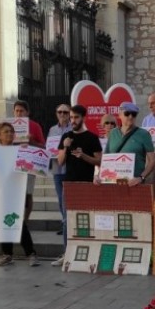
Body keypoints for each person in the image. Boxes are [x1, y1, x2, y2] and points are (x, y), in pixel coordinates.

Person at [56, 104, 103, 266]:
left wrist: (83, 156)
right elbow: (60, 162)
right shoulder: (66, 137)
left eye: (76, 117)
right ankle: (66, 253)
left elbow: (100, 161)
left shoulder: (92, 137)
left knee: (87, 218)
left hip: (86, 184)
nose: (72, 120)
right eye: (71, 117)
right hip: (69, 184)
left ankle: (88, 252)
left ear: (84, 117)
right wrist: (65, 146)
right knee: (66, 220)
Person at [0, 122, 40, 267]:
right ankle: (7, 254)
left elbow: (32, 169)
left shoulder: (21, 151)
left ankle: (31, 254)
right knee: (5, 223)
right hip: (1, 194)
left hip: (17, 193)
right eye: (5, 132)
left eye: (11, 132)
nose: (9, 134)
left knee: (18, 223)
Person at [102, 102, 155, 186]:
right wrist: (99, 176)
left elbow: (152, 161)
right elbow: (106, 158)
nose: (130, 116)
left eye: (134, 114)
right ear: (120, 115)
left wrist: (141, 178)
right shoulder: (113, 133)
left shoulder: (144, 134)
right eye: (127, 113)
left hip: (135, 184)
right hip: (114, 183)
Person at [13, 100, 44, 226]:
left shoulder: (35, 126)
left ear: (27, 112)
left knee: (27, 194)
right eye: (17, 111)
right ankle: (15, 220)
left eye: (22, 111)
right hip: (12, 163)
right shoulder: (8, 125)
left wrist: (32, 141)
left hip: (29, 164)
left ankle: (25, 222)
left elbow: (43, 146)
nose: (19, 113)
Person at [48, 104, 72, 238]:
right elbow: (49, 147)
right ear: (56, 113)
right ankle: (65, 224)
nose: (62, 114)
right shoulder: (52, 129)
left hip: (70, 168)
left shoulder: (73, 128)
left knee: (68, 198)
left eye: (65, 112)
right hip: (57, 168)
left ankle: (69, 225)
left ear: (69, 114)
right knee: (60, 198)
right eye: (60, 112)